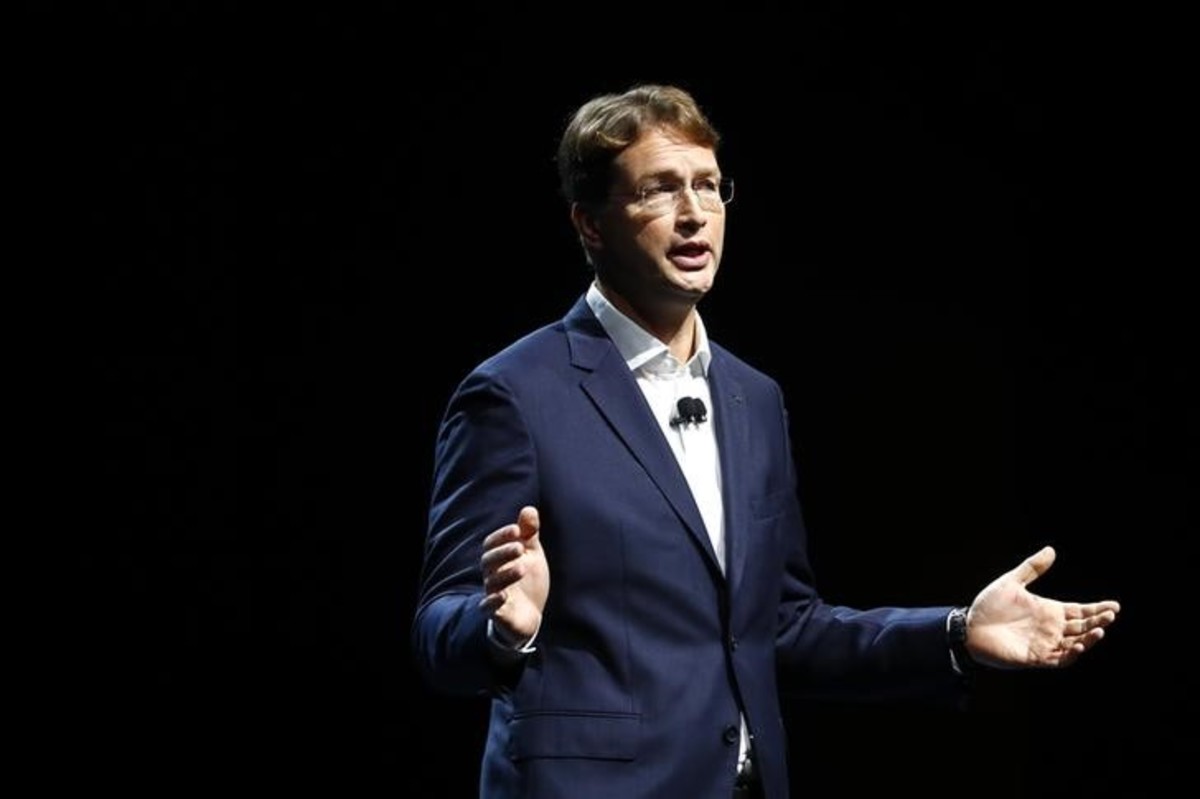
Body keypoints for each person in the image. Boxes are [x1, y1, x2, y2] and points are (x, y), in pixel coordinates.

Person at [410, 83, 1120, 799]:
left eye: (708, 186)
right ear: (591, 224)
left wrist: (957, 632)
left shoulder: (753, 397)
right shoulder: (514, 394)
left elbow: (783, 629)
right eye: (659, 190)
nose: (694, 213)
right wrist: (503, 629)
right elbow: (439, 631)